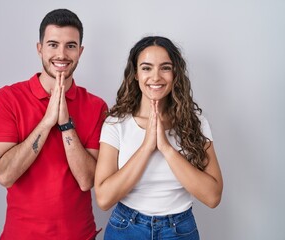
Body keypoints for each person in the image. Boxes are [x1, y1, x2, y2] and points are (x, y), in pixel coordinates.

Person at [0, 9, 107, 240]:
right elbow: (5, 175)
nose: (61, 54)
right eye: (53, 44)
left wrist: (65, 124)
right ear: (39, 48)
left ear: (80, 52)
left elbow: (87, 181)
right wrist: (46, 122)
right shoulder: (7, 99)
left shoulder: (96, 106)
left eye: (71, 46)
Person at [94, 36, 223, 240]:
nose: (156, 77)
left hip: (179, 229)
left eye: (165, 67)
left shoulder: (196, 122)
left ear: (175, 73)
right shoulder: (116, 123)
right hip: (127, 228)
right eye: (146, 68)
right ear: (135, 74)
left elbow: (213, 196)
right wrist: (147, 147)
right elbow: (104, 198)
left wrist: (165, 147)